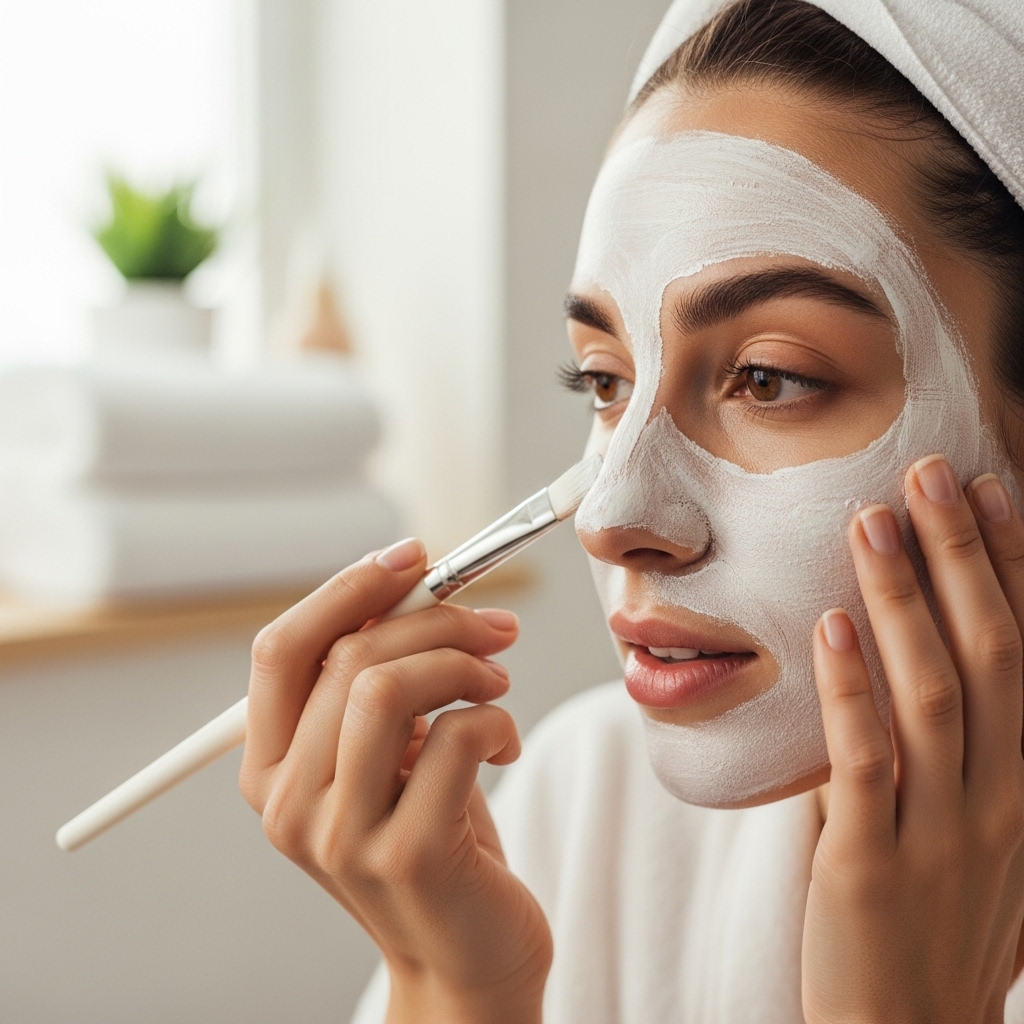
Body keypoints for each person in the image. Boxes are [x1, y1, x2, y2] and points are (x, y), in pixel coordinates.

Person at [238, 1, 1024, 1021]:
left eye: (768, 376)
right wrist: (453, 987)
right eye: (603, 379)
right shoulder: (585, 798)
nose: (608, 515)